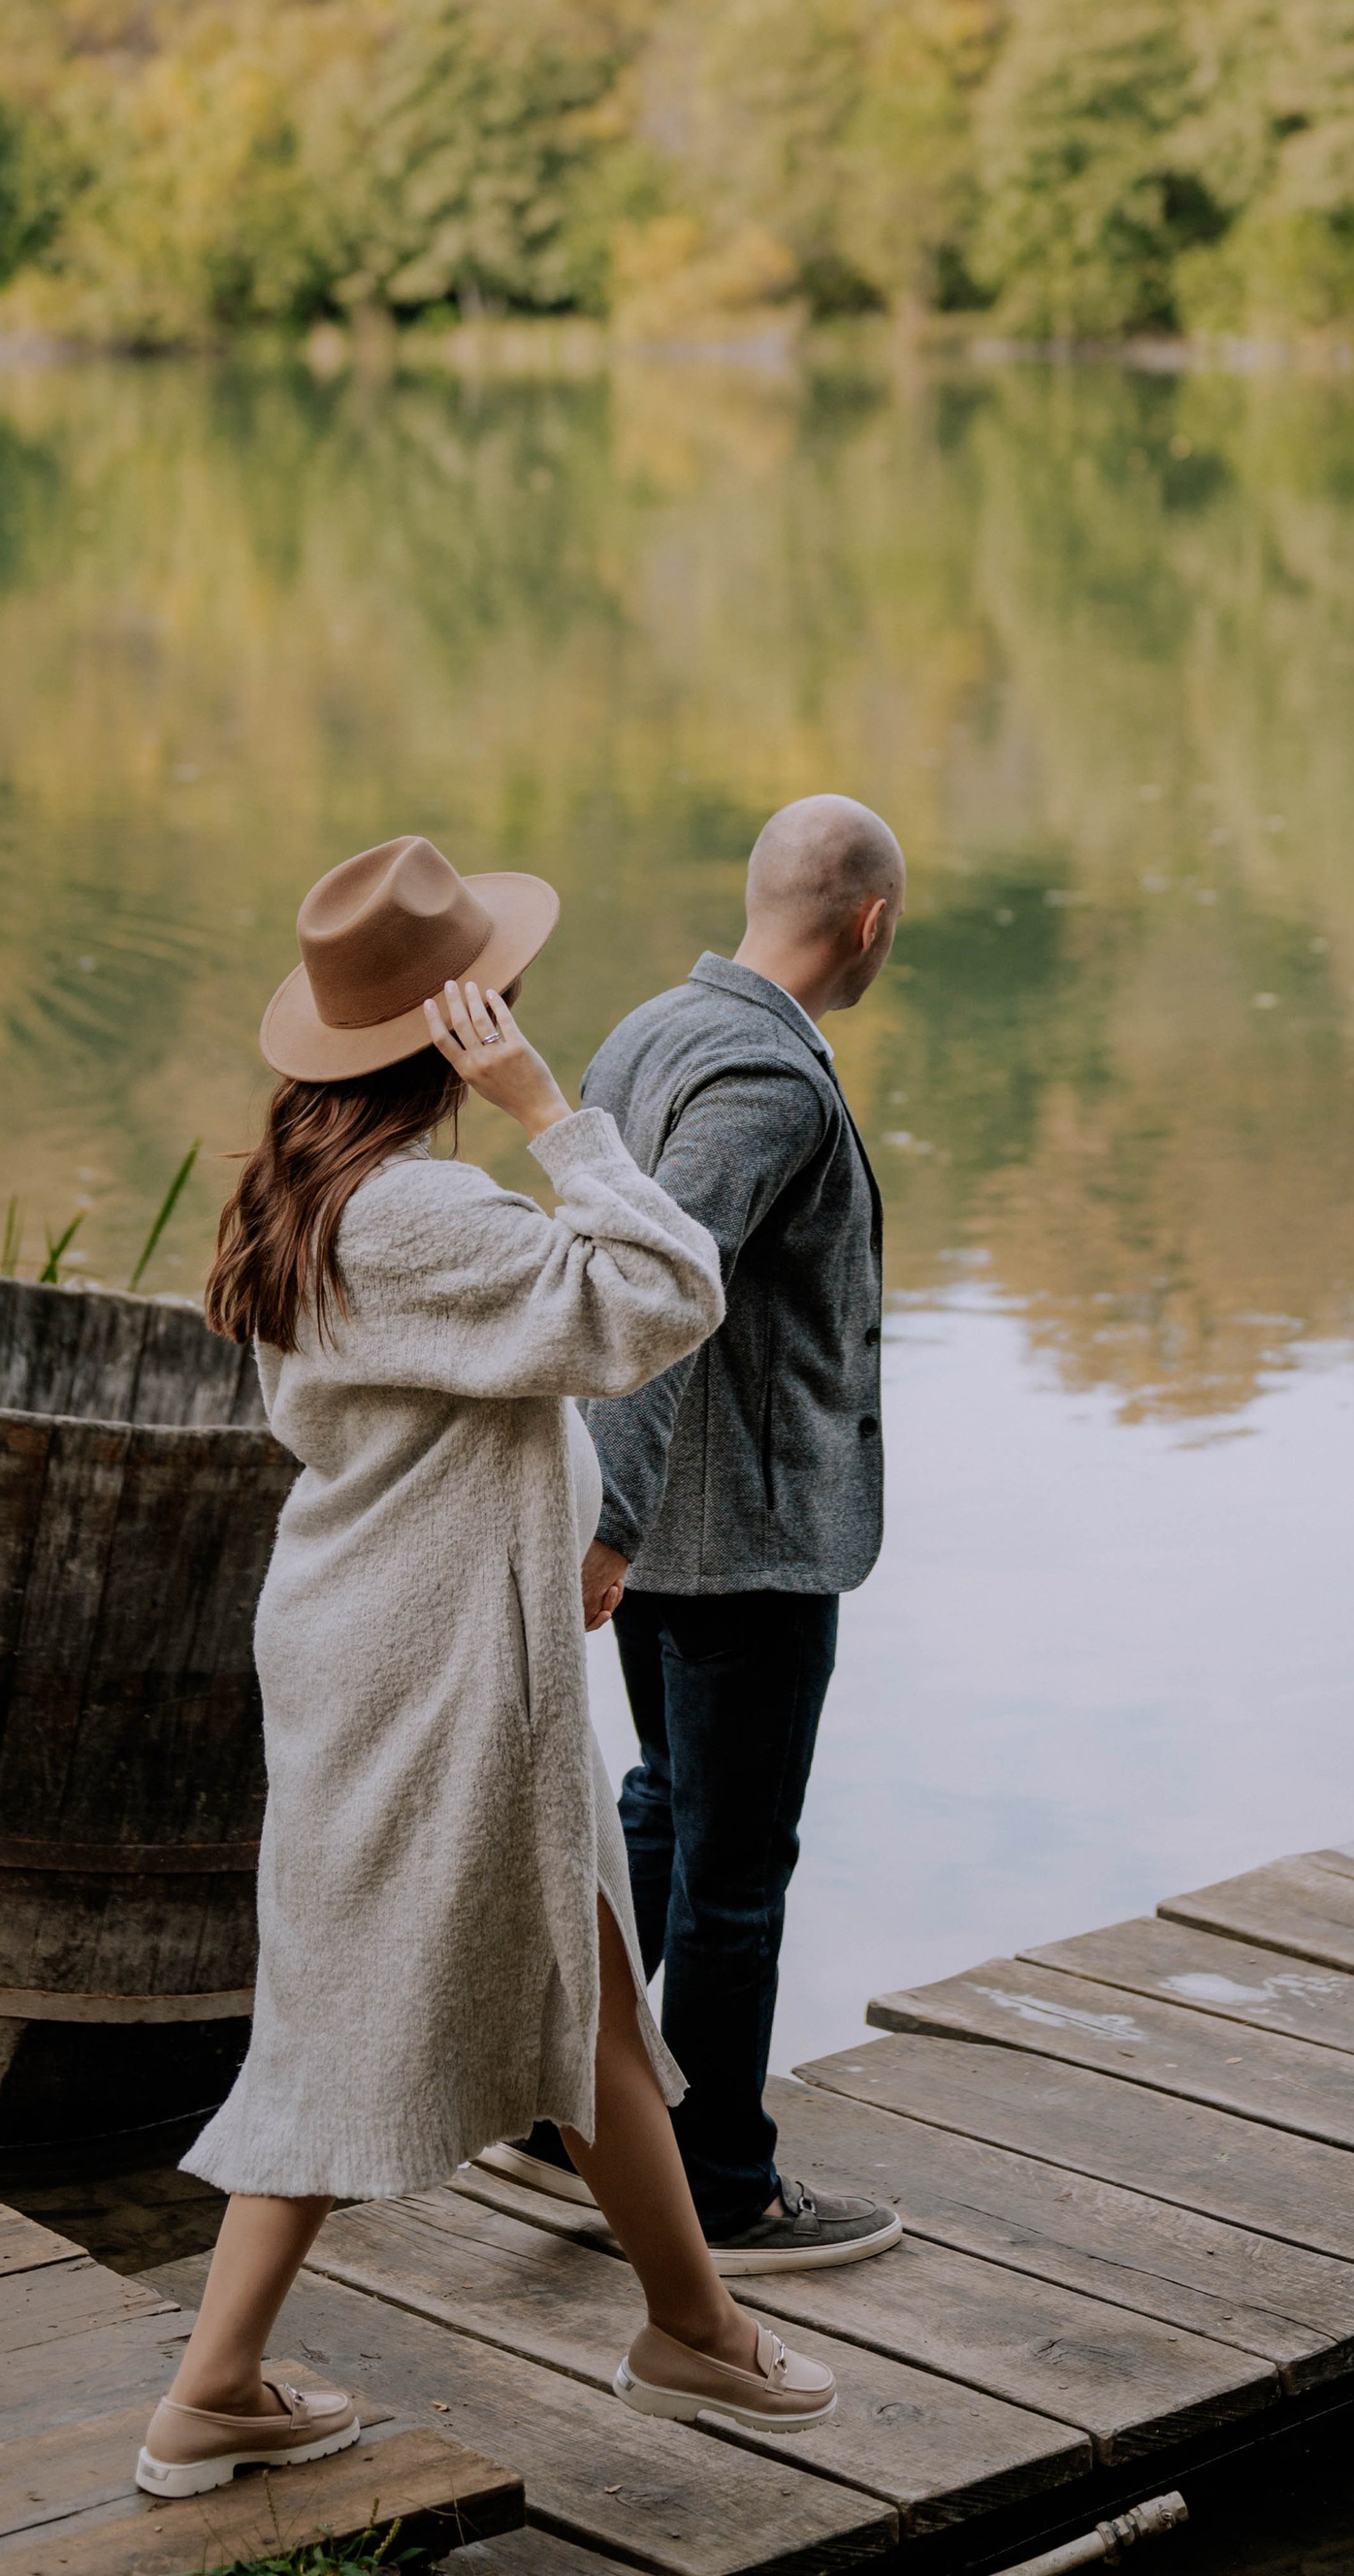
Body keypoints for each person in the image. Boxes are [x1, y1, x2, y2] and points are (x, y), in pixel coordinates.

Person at [137, 833, 839, 2502]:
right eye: (494, 1000)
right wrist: (549, 1108)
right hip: (436, 1666)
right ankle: (210, 2391)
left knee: (578, 1982)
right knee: (352, 2015)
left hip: (394, 1634)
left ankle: (692, 2326)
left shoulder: (303, 1191)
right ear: (448, 1026)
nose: (513, 1008)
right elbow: (665, 1294)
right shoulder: (423, 1211)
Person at [482, 793, 906, 2270]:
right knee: (737, 1873)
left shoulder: (652, 1029)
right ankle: (720, 2180)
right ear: (870, 926)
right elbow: (652, 1302)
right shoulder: (767, 1084)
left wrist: (616, 1521)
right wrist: (616, 1522)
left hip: (668, 1531)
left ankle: (566, 2107)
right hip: (733, 1550)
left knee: (663, 1808)